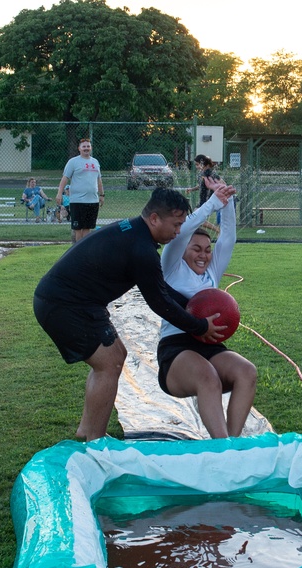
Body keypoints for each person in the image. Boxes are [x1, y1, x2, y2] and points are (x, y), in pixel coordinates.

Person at [34, 182, 234, 441]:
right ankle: (95, 439)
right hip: (65, 305)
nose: (178, 233)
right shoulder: (141, 250)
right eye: (175, 226)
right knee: (109, 363)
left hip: (71, 301)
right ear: (154, 218)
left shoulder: (134, 231)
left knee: (115, 356)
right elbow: (159, 302)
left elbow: (160, 291)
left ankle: (89, 430)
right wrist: (199, 326)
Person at [158, 187, 256, 438]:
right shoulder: (170, 267)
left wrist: (228, 200)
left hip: (209, 345)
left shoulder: (212, 273)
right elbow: (184, 233)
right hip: (176, 349)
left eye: (207, 249)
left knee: (247, 372)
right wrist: (212, 204)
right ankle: (221, 447)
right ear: (183, 250)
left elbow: (228, 238)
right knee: (207, 376)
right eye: (196, 249)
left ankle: (230, 445)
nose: (203, 254)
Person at [57, 138, 105, 243]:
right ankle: (77, 252)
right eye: (84, 146)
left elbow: (99, 179)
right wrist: (59, 193)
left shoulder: (95, 162)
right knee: (78, 229)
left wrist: (102, 195)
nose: (86, 148)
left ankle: (85, 252)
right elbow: (65, 178)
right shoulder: (73, 162)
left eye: (88, 146)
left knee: (87, 228)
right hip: (77, 201)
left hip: (92, 200)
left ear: (91, 148)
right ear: (79, 148)